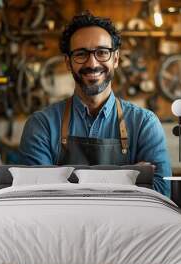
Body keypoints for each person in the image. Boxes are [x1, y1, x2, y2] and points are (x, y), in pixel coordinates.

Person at [18, 11, 171, 196]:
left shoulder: (145, 124)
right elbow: (37, 196)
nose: (92, 63)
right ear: (68, 62)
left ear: (115, 59)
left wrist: (65, 182)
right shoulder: (42, 125)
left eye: (102, 52)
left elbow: (161, 194)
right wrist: (128, 176)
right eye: (81, 54)